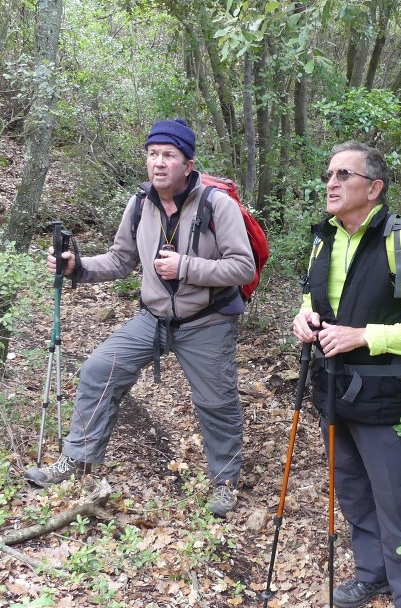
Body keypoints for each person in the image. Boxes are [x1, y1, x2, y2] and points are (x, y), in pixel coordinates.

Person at [25, 119, 255, 518]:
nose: (159, 163)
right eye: (153, 154)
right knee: (99, 369)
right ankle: (77, 460)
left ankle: (224, 482)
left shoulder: (218, 205)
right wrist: (77, 268)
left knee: (216, 402)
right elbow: (120, 259)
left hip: (207, 320)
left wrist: (186, 266)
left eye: (169, 155)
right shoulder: (140, 204)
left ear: (188, 164)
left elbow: (242, 268)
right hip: (153, 318)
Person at [291, 141, 401, 608]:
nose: (331, 183)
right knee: (354, 492)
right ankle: (371, 573)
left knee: (398, 503)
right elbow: (313, 299)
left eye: (344, 174)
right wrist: (303, 319)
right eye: (328, 174)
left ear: (374, 188)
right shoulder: (324, 241)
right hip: (334, 389)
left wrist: (364, 336)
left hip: (387, 396)